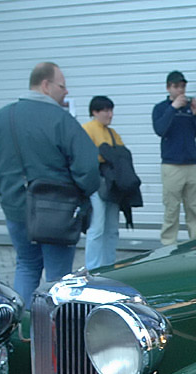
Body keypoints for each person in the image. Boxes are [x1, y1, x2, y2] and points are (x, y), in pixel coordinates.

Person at [0, 62, 101, 307]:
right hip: (58, 214)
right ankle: (53, 336)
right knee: (58, 279)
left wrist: (8, 194)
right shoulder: (62, 120)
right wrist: (79, 196)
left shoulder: (0, 118)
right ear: (45, 85)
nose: (66, 91)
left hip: (16, 211)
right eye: (62, 86)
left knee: (26, 265)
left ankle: (24, 328)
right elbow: (88, 168)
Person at [152, 70, 196, 246]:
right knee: (171, 209)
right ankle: (168, 246)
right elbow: (160, 130)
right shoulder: (161, 108)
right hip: (172, 166)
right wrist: (173, 108)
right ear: (168, 87)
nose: (180, 90)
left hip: (191, 165)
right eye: (176, 86)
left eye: (183, 86)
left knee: (194, 208)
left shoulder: (189, 108)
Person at [82, 96, 124, 270]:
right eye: (106, 110)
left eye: (111, 110)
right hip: (96, 182)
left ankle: (109, 265)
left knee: (112, 227)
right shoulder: (87, 129)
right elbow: (84, 157)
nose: (110, 114)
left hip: (112, 184)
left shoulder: (113, 133)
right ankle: (92, 268)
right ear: (95, 112)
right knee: (97, 227)